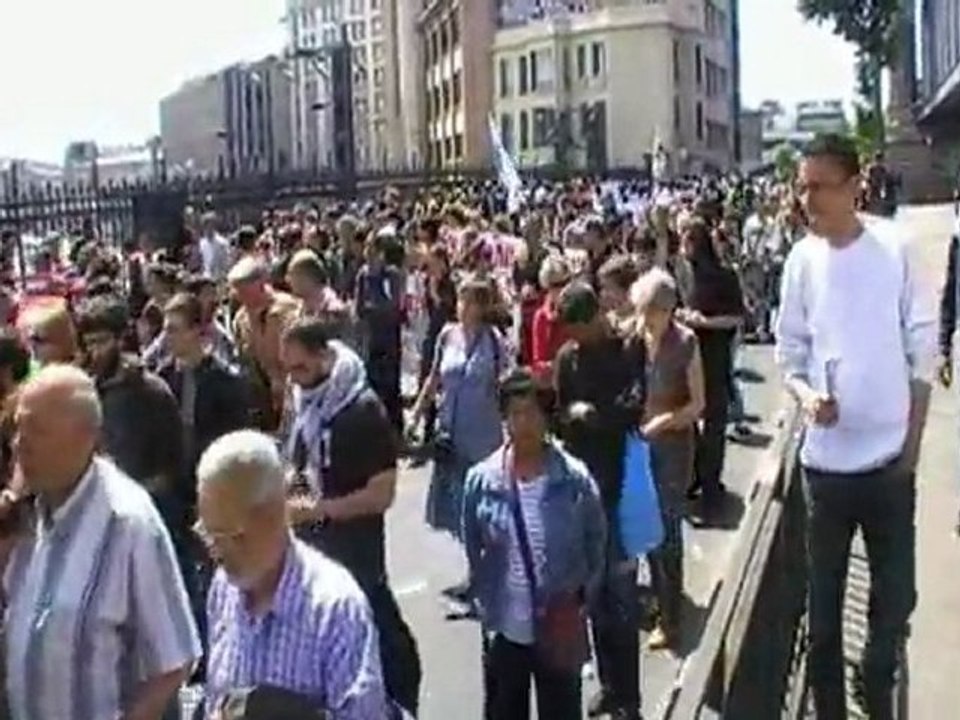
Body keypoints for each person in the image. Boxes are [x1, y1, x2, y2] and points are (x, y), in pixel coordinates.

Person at [775, 134, 936, 720]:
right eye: (802, 187)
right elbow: (789, 353)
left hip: (889, 466)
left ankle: (876, 679)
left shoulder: (895, 248)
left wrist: (911, 450)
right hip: (824, 473)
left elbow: (922, 353)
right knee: (822, 624)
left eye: (819, 187)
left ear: (854, 187)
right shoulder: (800, 261)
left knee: (895, 603)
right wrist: (806, 397)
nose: (807, 199)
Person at [2, 364, 200, 719]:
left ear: (86, 437)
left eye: (37, 431)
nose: (19, 444)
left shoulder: (128, 525)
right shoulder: (25, 515)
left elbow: (173, 662)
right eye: (18, 428)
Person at [196, 430, 392, 719]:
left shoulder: (336, 611)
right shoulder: (223, 587)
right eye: (208, 534)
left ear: (276, 514)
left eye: (230, 536)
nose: (217, 552)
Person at [281, 317, 422, 716]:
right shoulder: (303, 401)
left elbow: (382, 494)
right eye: (288, 368)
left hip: (358, 559)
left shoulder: (362, 410)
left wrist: (321, 510)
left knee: (387, 657)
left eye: (301, 367)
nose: (294, 377)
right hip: (314, 555)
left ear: (324, 357)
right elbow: (298, 462)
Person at [462, 368, 606, 720]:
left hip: (558, 628)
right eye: (515, 414)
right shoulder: (481, 481)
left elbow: (596, 541)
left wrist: (579, 599)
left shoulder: (574, 480)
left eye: (532, 413)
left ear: (546, 417)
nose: (524, 423)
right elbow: (473, 543)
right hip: (505, 628)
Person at [553, 281, 646, 720]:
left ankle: (630, 697)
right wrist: (571, 416)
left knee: (622, 599)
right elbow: (558, 415)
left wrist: (596, 416)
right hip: (582, 491)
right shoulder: (567, 360)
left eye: (578, 329)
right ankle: (609, 686)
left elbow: (634, 407)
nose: (574, 339)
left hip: (619, 485)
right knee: (594, 598)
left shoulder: (627, 350)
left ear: (594, 318)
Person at [631, 269, 705, 650]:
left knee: (667, 530)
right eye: (641, 311)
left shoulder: (686, 342)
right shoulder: (634, 337)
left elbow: (697, 404)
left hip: (673, 447)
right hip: (640, 445)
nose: (645, 320)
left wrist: (664, 421)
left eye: (651, 313)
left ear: (667, 310)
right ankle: (658, 599)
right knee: (645, 526)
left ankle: (671, 619)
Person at [411, 279, 506, 546]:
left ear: (482, 307)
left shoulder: (493, 340)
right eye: (461, 300)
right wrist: (416, 414)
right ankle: (473, 556)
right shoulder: (447, 335)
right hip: (451, 433)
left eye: (470, 302)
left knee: (483, 507)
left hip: (483, 436)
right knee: (457, 507)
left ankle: (486, 557)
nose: (462, 307)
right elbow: (433, 379)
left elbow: (504, 381)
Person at [676, 217, 744, 516]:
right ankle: (693, 475)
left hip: (714, 355)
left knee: (714, 423)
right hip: (687, 355)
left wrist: (706, 322)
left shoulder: (725, 277)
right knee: (689, 419)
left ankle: (711, 482)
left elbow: (736, 318)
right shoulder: (683, 274)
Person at [229, 256, 301, 431]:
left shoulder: (288, 310)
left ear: (261, 283)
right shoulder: (241, 319)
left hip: (294, 393)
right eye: (237, 290)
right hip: (263, 400)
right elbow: (245, 358)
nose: (240, 296)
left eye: (244, 289)